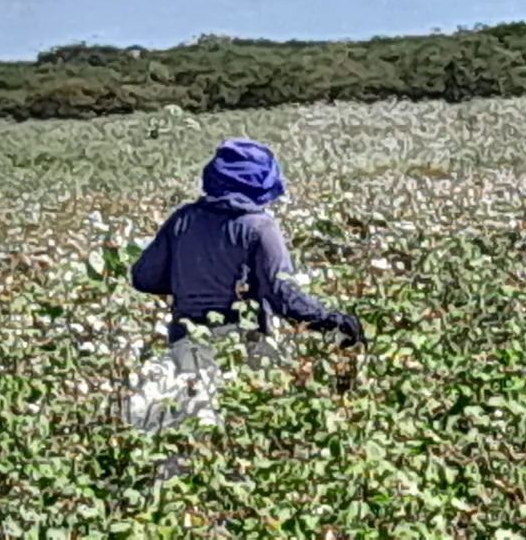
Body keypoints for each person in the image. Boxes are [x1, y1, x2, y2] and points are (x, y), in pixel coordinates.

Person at [125, 138, 366, 440]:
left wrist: (188, 279)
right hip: (243, 343)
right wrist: (335, 322)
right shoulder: (259, 226)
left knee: (196, 430)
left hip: (186, 341)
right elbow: (281, 295)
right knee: (249, 428)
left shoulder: (184, 218)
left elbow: (143, 277)